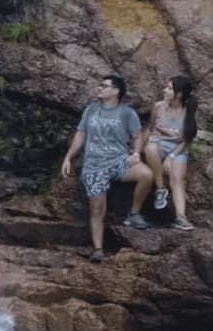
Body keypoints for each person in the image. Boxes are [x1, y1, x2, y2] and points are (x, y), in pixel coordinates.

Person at [61, 74, 154, 263]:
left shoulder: (127, 113)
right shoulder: (90, 110)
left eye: (104, 86)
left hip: (119, 161)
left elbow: (137, 136)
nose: (99, 88)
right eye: (100, 85)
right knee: (97, 208)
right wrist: (68, 157)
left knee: (147, 174)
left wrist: (136, 153)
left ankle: (134, 214)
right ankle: (98, 249)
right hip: (94, 165)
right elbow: (80, 135)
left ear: (115, 91)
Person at [143, 75, 198, 231]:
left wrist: (171, 157)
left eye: (169, 88)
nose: (165, 90)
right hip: (158, 144)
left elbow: (187, 139)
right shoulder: (158, 106)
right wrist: (135, 151)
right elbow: (149, 128)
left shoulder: (188, 111)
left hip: (178, 149)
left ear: (179, 94)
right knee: (150, 148)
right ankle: (160, 189)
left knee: (177, 180)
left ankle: (181, 217)